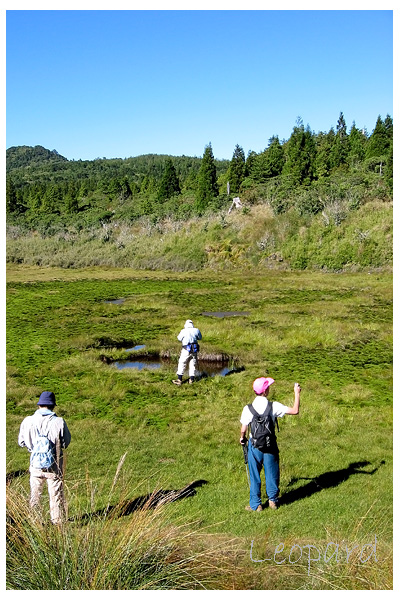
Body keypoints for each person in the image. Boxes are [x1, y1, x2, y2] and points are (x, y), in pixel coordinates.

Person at [239, 377, 301, 511]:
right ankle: (273, 501)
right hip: (270, 445)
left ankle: (256, 505)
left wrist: (242, 438)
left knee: (255, 474)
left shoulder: (248, 408)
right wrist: (297, 393)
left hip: (254, 446)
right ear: (265, 391)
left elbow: (243, 429)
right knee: (272, 472)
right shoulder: (274, 406)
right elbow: (295, 410)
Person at [18, 391, 71, 525]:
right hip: (54, 465)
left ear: (39, 405)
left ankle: (35, 521)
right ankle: (58, 522)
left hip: (35, 464)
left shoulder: (27, 421)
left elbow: (21, 442)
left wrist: (34, 448)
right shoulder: (59, 421)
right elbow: (66, 442)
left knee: (35, 494)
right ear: (53, 406)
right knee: (56, 494)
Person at [172, 319, 202, 385]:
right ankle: (191, 379)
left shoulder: (183, 331)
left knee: (182, 362)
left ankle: (179, 379)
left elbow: (179, 338)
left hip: (186, 349)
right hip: (194, 349)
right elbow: (200, 338)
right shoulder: (196, 330)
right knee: (193, 363)